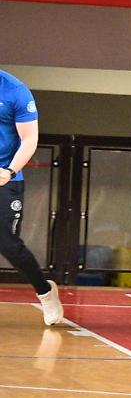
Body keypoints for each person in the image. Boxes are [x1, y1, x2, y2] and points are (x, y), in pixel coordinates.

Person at [0, 70, 63, 326]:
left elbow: (29, 139)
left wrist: (9, 170)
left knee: (7, 243)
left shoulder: (15, 91)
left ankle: (45, 292)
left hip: (6, 177)